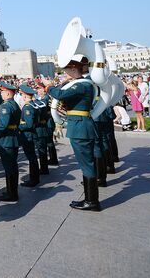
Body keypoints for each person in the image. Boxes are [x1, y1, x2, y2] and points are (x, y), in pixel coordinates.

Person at [47, 59, 100, 211]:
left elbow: (59, 94)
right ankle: (89, 198)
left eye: (67, 70)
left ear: (73, 69)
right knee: (86, 164)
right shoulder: (81, 84)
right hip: (80, 125)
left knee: (86, 165)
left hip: (80, 127)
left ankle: (92, 201)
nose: (65, 73)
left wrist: (48, 86)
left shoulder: (81, 85)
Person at [17, 84, 41, 188]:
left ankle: (33, 179)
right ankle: (34, 178)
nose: (21, 96)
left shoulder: (28, 107)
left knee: (31, 157)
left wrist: (18, 127)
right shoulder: (33, 105)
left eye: (22, 94)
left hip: (28, 135)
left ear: (25, 96)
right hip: (31, 134)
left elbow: (29, 124)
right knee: (32, 157)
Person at [32, 83, 52, 174]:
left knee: (42, 149)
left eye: (39, 89)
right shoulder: (41, 101)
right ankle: (45, 167)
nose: (38, 91)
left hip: (41, 127)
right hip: (43, 127)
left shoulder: (41, 102)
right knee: (43, 148)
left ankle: (44, 168)